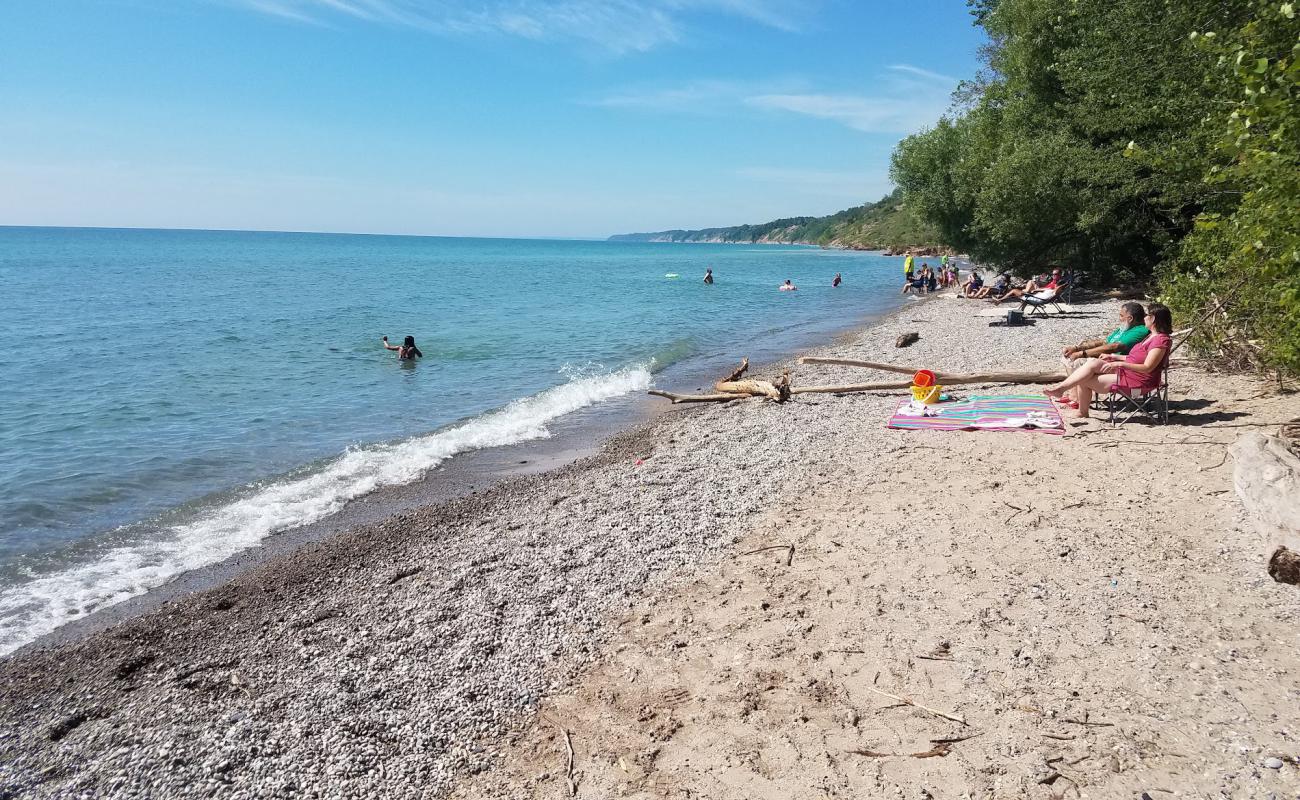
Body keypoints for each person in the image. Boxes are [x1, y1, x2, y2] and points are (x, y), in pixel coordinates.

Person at [1044, 304, 1173, 417]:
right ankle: (1062, 391)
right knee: (1092, 364)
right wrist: (1115, 357)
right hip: (1129, 373)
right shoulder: (1150, 337)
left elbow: (1148, 367)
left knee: (1084, 377)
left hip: (1140, 380)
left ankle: (1079, 408)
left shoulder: (1160, 340)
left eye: (1147, 315)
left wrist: (1119, 363)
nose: (1144, 317)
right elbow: (1134, 358)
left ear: (1153, 319)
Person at [1061, 302, 1148, 369]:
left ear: (1130, 318)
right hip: (1106, 357)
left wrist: (1082, 354)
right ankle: (1074, 392)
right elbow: (1105, 342)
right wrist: (1076, 348)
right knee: (1067, 357)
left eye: (1121, 316)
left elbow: (1115, 346)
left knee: (1076, 362)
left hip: (1118, 363)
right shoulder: (1125, 327)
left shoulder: (1140, 330)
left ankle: (1075, 392)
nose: (1119, 319)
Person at [996, 268, 1063, 304]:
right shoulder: (1053, 282)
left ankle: (1000, 300)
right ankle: (1000, 299)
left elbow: (1051, 290)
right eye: (1053, 274)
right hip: (1038, 294)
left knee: (1014, 290)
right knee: (1029, 284)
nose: (1053, 275)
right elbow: (1046, 289)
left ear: (1060, 275)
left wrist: (1036, 290)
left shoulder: (1057, 284)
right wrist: (1038, 289)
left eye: (1056, 274)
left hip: (1039, 297)